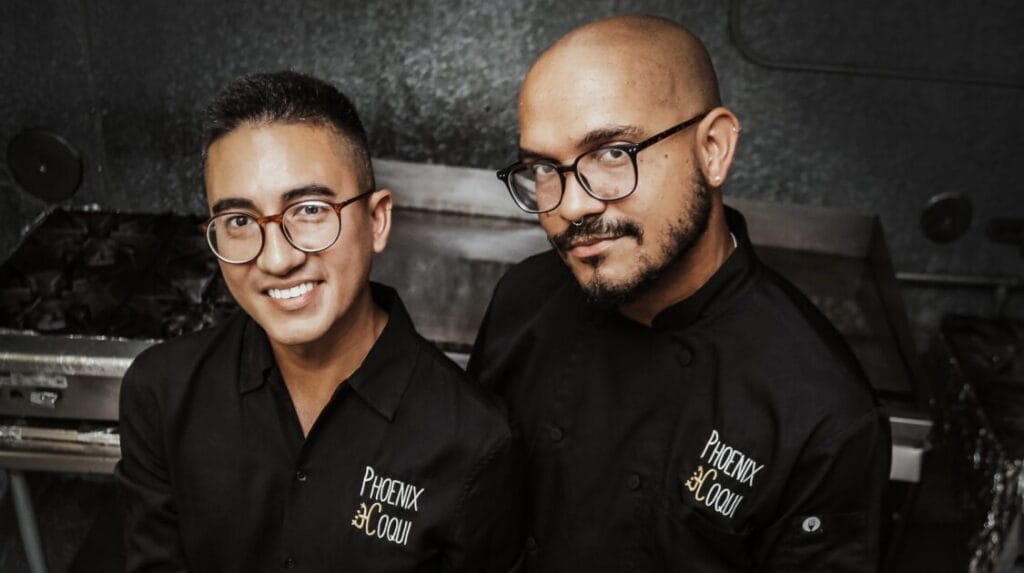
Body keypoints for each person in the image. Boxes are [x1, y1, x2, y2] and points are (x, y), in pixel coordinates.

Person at [469, 15, 890, 572]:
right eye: (545, 169)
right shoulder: (525, 298)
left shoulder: (824, 415)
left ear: (713, 149)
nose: (572, 206)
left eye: (614, 153)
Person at [116, 71, 523, 572]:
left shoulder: (474, 440)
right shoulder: (162, 391)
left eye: (309, 210)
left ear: (377, 221)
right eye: (240, 221)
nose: (278, 259)